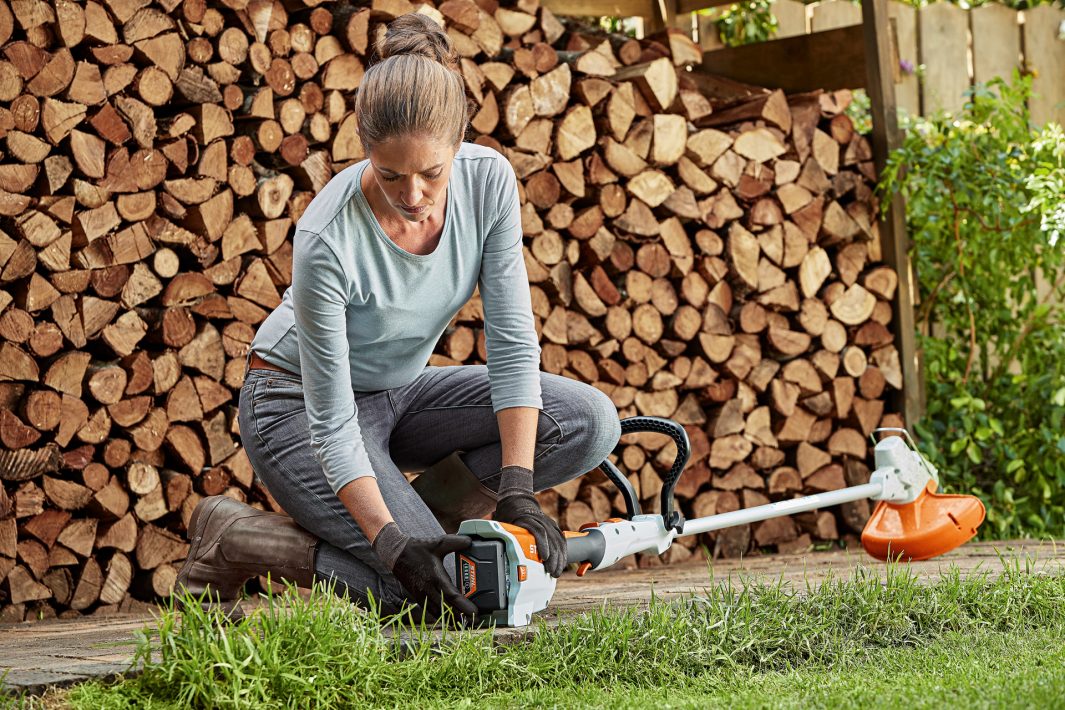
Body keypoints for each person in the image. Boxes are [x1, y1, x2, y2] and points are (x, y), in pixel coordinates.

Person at [175, 13, 621, 622]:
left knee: (586, 422)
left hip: (398, 392)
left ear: (458, 143)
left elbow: (514, 342)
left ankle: (421, 528)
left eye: (432, 173)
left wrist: (517, 485)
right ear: (366, 151)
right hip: (293, 403)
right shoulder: (327, 239)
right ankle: (236, 538)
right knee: (417, 596)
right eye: (390, 175)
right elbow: (333, 423)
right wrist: (393, 547)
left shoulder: (488, 180)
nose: (413, 195)